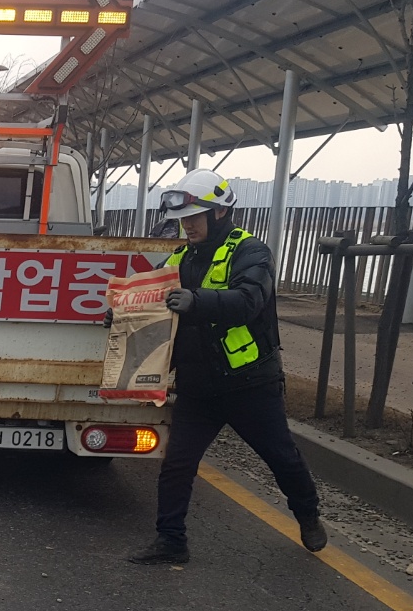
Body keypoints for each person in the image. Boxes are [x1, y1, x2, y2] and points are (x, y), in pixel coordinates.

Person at [129, 168, 326, 564]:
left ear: (219, 213)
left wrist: (198, 301)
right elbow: (151, 297)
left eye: (193, 219)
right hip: (199, 386)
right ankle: (171, 542)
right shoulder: (180, 256)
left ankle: (307, 514)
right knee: (177, 465)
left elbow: (250, 300)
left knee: (281, 457)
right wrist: (122, 315)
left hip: (249, 383)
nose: (187, 228)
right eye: (182, 221)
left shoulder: (252, 252)